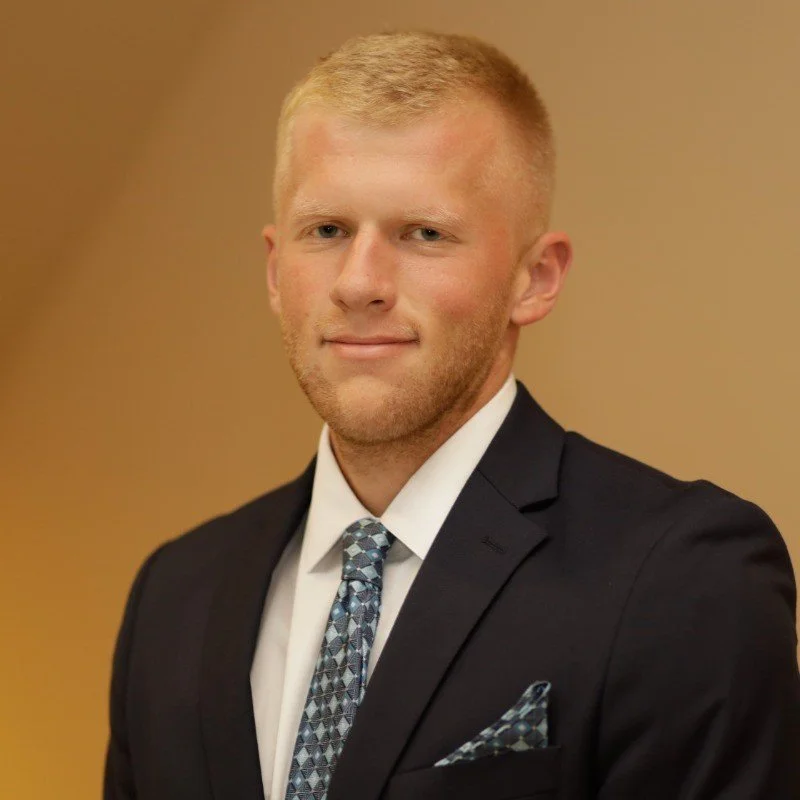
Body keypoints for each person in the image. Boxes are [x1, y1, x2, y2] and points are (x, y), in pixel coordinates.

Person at [103, 30, 800, 800]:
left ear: (534, 279)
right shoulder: (175, 596)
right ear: (276, 270)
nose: (359, 283)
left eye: (424, 234)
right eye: (327, 231)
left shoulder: (685, 577)